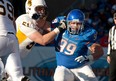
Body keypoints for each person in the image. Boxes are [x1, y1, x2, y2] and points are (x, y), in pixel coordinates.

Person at [52, 9, 104, 81]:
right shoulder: (61, 25)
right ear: (68, 22)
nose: (75, 26)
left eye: (78, 23)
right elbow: (45, 27)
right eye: (73, 23)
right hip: (63, 67)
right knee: (60, 78)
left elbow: (99, 51)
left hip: (81, 67)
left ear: (83, 23)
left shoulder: (88, 33)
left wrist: (88, 57)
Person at [0, 0, 30, 81]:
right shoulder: (8, 3)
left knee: (2, 75)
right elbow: (13, 23)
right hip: (12, 39)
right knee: (17, 76)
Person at [107, 13, 116, 81]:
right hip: (113, 53)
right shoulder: (111, 30)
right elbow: (109, 43)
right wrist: (108, 54)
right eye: (115, 19)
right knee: (112, 75)